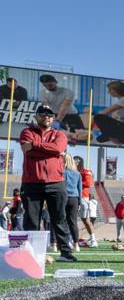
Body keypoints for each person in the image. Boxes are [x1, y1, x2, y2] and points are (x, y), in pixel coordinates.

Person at [18, 104, 76, 261]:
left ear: (54, 117)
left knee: (59, 218)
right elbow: (26, 150)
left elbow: (57, 149)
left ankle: (65, 252)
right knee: (31, 219)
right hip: (31, 182)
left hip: (56, 183)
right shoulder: (27, 131)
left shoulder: (60, 135)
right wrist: (49, 150)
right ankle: (31, 253)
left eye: (50, 114)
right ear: (36, 116)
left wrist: (36, 145)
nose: (46, 116)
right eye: (43, 113)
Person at [92, 81, 124, 145]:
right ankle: (120, 139)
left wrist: (93, 117)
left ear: (117, 89)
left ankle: (111, 136)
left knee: (98, 118)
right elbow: (116, 117)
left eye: (110, 89)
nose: (108, 92)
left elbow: (103, 113)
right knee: (100, 139)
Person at [76, 156, 98, 247]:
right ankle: (71, 239)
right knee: (70, 219)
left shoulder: (86, 172)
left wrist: (76, 181)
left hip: (83, 197)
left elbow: (88, 183)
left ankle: (93, 239)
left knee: (85, 220)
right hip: (72, 196)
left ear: (79, 162)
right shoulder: (71, 171)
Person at [63, 153, 82, 251]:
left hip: (64, 197)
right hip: (74, 198)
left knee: (63, 221)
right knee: (73, 222)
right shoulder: (77, 173)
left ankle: (66, 242)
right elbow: (80, 189)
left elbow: (62, 185)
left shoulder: (63, 172)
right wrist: (79, 202)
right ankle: (76, 244)